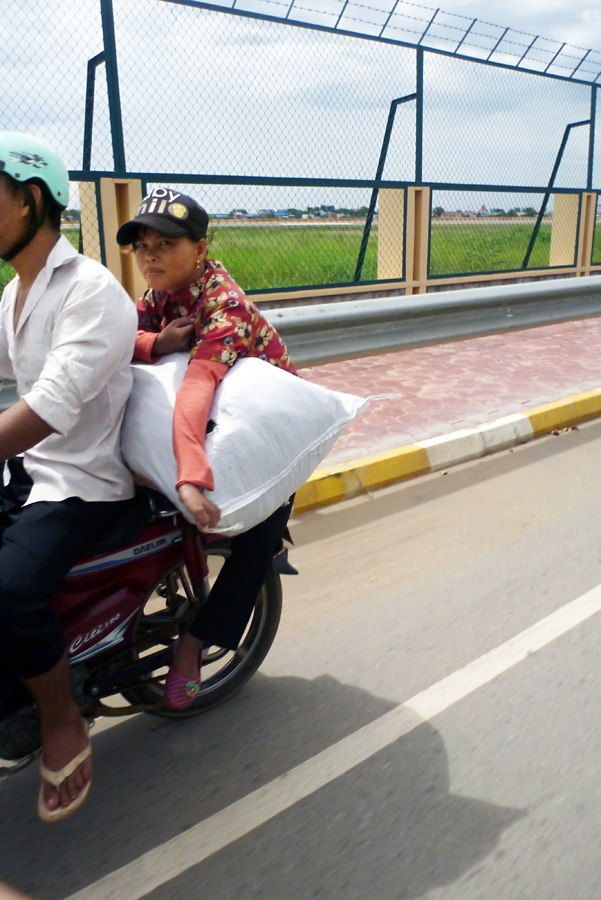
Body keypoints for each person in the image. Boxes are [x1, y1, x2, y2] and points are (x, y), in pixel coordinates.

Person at [0, 133, 138, 820]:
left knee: (8, 590)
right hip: (28, 474)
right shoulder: (14, 293)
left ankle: (60, 718)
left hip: (79, 483)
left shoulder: (92, 292)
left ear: (29, 201)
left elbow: (50, 405)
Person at [116, 189, 297, 709]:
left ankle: (195, 645)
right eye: (142, 245)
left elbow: (197, 388)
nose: (150, 256)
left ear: (199, 249)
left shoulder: (224, 304)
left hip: (267, 431)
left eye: (165, 244)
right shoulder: (158, 296)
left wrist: (190, 474)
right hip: (219, 420)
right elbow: (110, 339)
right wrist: (156, 342)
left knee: (257, 537)